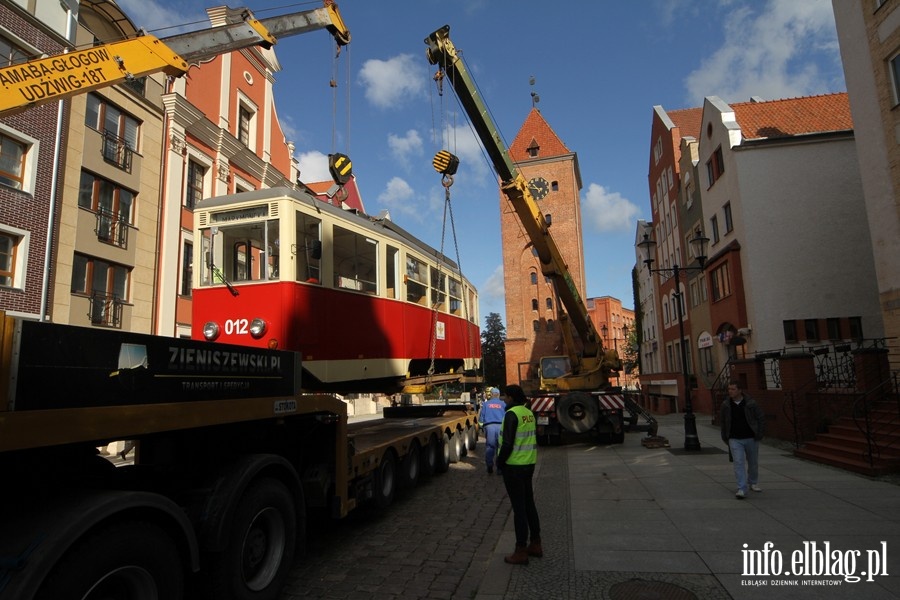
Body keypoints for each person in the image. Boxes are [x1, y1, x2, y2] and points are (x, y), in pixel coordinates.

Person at [497, 384, 542, 565]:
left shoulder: (511, 414)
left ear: (511, 397)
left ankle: (520, 550)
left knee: (519, 509)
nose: (504, 399)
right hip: (528, 464)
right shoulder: (528, 413)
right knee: (529, 504)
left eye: (505, 396)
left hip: (514, 466)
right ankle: (536, 543)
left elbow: (507, 443)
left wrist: (500, 462)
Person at [720, 380, 766, 499]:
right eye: (729, 389)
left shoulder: (750, 403)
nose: (730, 391)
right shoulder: (726, 405)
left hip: (750, 437)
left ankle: (753, 482)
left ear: (740, 390)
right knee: (738, 463)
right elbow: (723, 422)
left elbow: (760, 417)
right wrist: (725, 436)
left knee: (753, 462)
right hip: (734, 438)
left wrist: (759, 433)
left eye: (733, 389)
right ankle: (741, 488)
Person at [478, 387, 506, 474]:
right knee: (500, 447)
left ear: (491, 394)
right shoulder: (503, 404)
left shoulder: (486, 404)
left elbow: (481, 418)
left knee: (490, 447)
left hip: (489, 427)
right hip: (501, 427)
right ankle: (500, 468)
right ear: (498, 395)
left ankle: (489, 465)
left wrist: (481, 427)